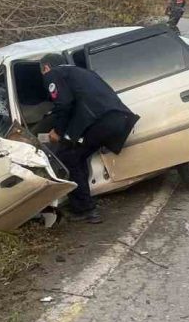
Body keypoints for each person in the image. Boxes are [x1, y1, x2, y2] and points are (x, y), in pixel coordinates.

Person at [41, 53, 140, 224]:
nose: (43, 75)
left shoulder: (54, 74)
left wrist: (57, 131)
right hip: (119, 119)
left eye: (42, 71)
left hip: (99, 122)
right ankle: (86, 205)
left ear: (46, 67)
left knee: (66, 157)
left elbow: (64, 103)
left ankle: (85, 209)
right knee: (77, 156)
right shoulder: (84, 72)